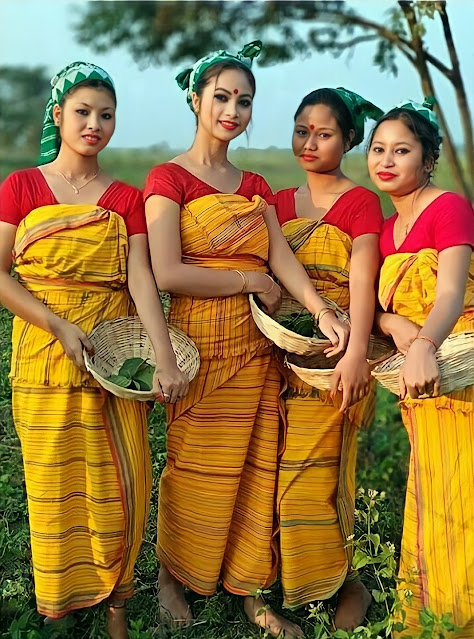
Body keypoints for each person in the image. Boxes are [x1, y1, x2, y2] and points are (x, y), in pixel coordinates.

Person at [144, 42, 349, 639]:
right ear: (196, 100)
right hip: (199, 342)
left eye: (245, 101)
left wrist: (318, 309)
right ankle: (171, 577)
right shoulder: (169, 177)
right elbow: (165, 271)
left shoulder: (253, 181)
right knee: (192, 465)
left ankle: (250, 592)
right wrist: (246, 278)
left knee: (257, 467)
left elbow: (281, 254)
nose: (233, 110)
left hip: (257, 342)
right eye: (223, 97)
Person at [0, 62, 188, 639]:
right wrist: (56, 324)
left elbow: (139, 280)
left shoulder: (125, 197)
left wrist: (163, 356)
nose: (95, 124)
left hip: (111, 357)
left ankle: (116, 602)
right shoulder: (21, 188)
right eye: (82, 111)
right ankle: (59, 602)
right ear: (57, 116)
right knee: (54, 482)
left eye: (106, 115)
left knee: (121, 479)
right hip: (45, 353)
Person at [272, 88, 384, 629]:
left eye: (324, 133)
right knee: (269, 475)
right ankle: (282, 583)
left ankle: (343, 587)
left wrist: (357, 353)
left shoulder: (360, 202)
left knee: (312, 480)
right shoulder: (276, 201)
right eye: (302, 130)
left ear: (348, 139)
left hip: (333, 355)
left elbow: (362, 281)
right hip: (276, 350)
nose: (310, 141)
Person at [368, 98, 474, 637]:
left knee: (466, 493)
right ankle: (431, 613)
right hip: (422, 378)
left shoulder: (448, 207)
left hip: (460, 366)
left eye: (402, 150)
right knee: (432, 492)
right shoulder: (387, 232)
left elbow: (451, 291)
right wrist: (393, 326)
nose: (386, 159)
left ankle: (460, 620)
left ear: (428, 159)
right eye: (378, 148)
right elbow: (380, 309)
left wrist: (425, 342)